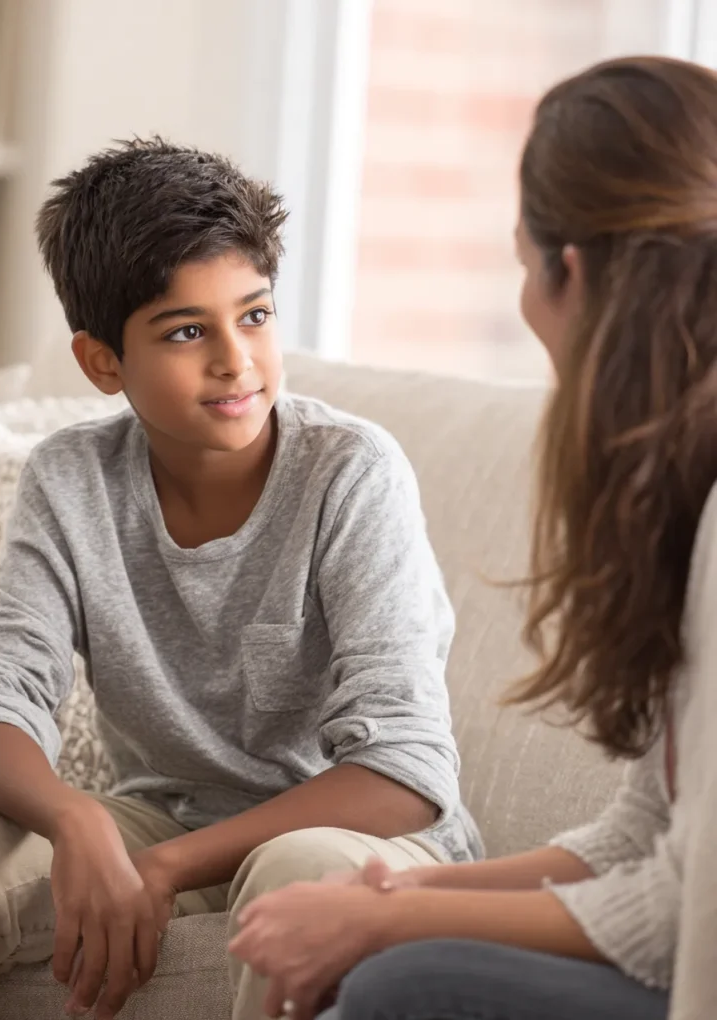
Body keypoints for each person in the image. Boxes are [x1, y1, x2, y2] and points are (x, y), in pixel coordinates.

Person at [229, 55, 717, 1020]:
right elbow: (648, 834)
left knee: (404, 982)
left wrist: (390, 926)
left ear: (563, 271)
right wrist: (409, 895)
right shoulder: (682, 492)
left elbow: (682, 909)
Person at [0, 138, 482, 1020]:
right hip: (161, 817)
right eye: (188, 331)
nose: (237, 360)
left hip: (357, 838)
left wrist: (160, 869)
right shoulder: (71, 479)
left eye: (256, 315)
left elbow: (404, 769)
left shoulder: (351, 473)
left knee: (295, 876)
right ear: (101, 363)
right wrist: (76, 820)